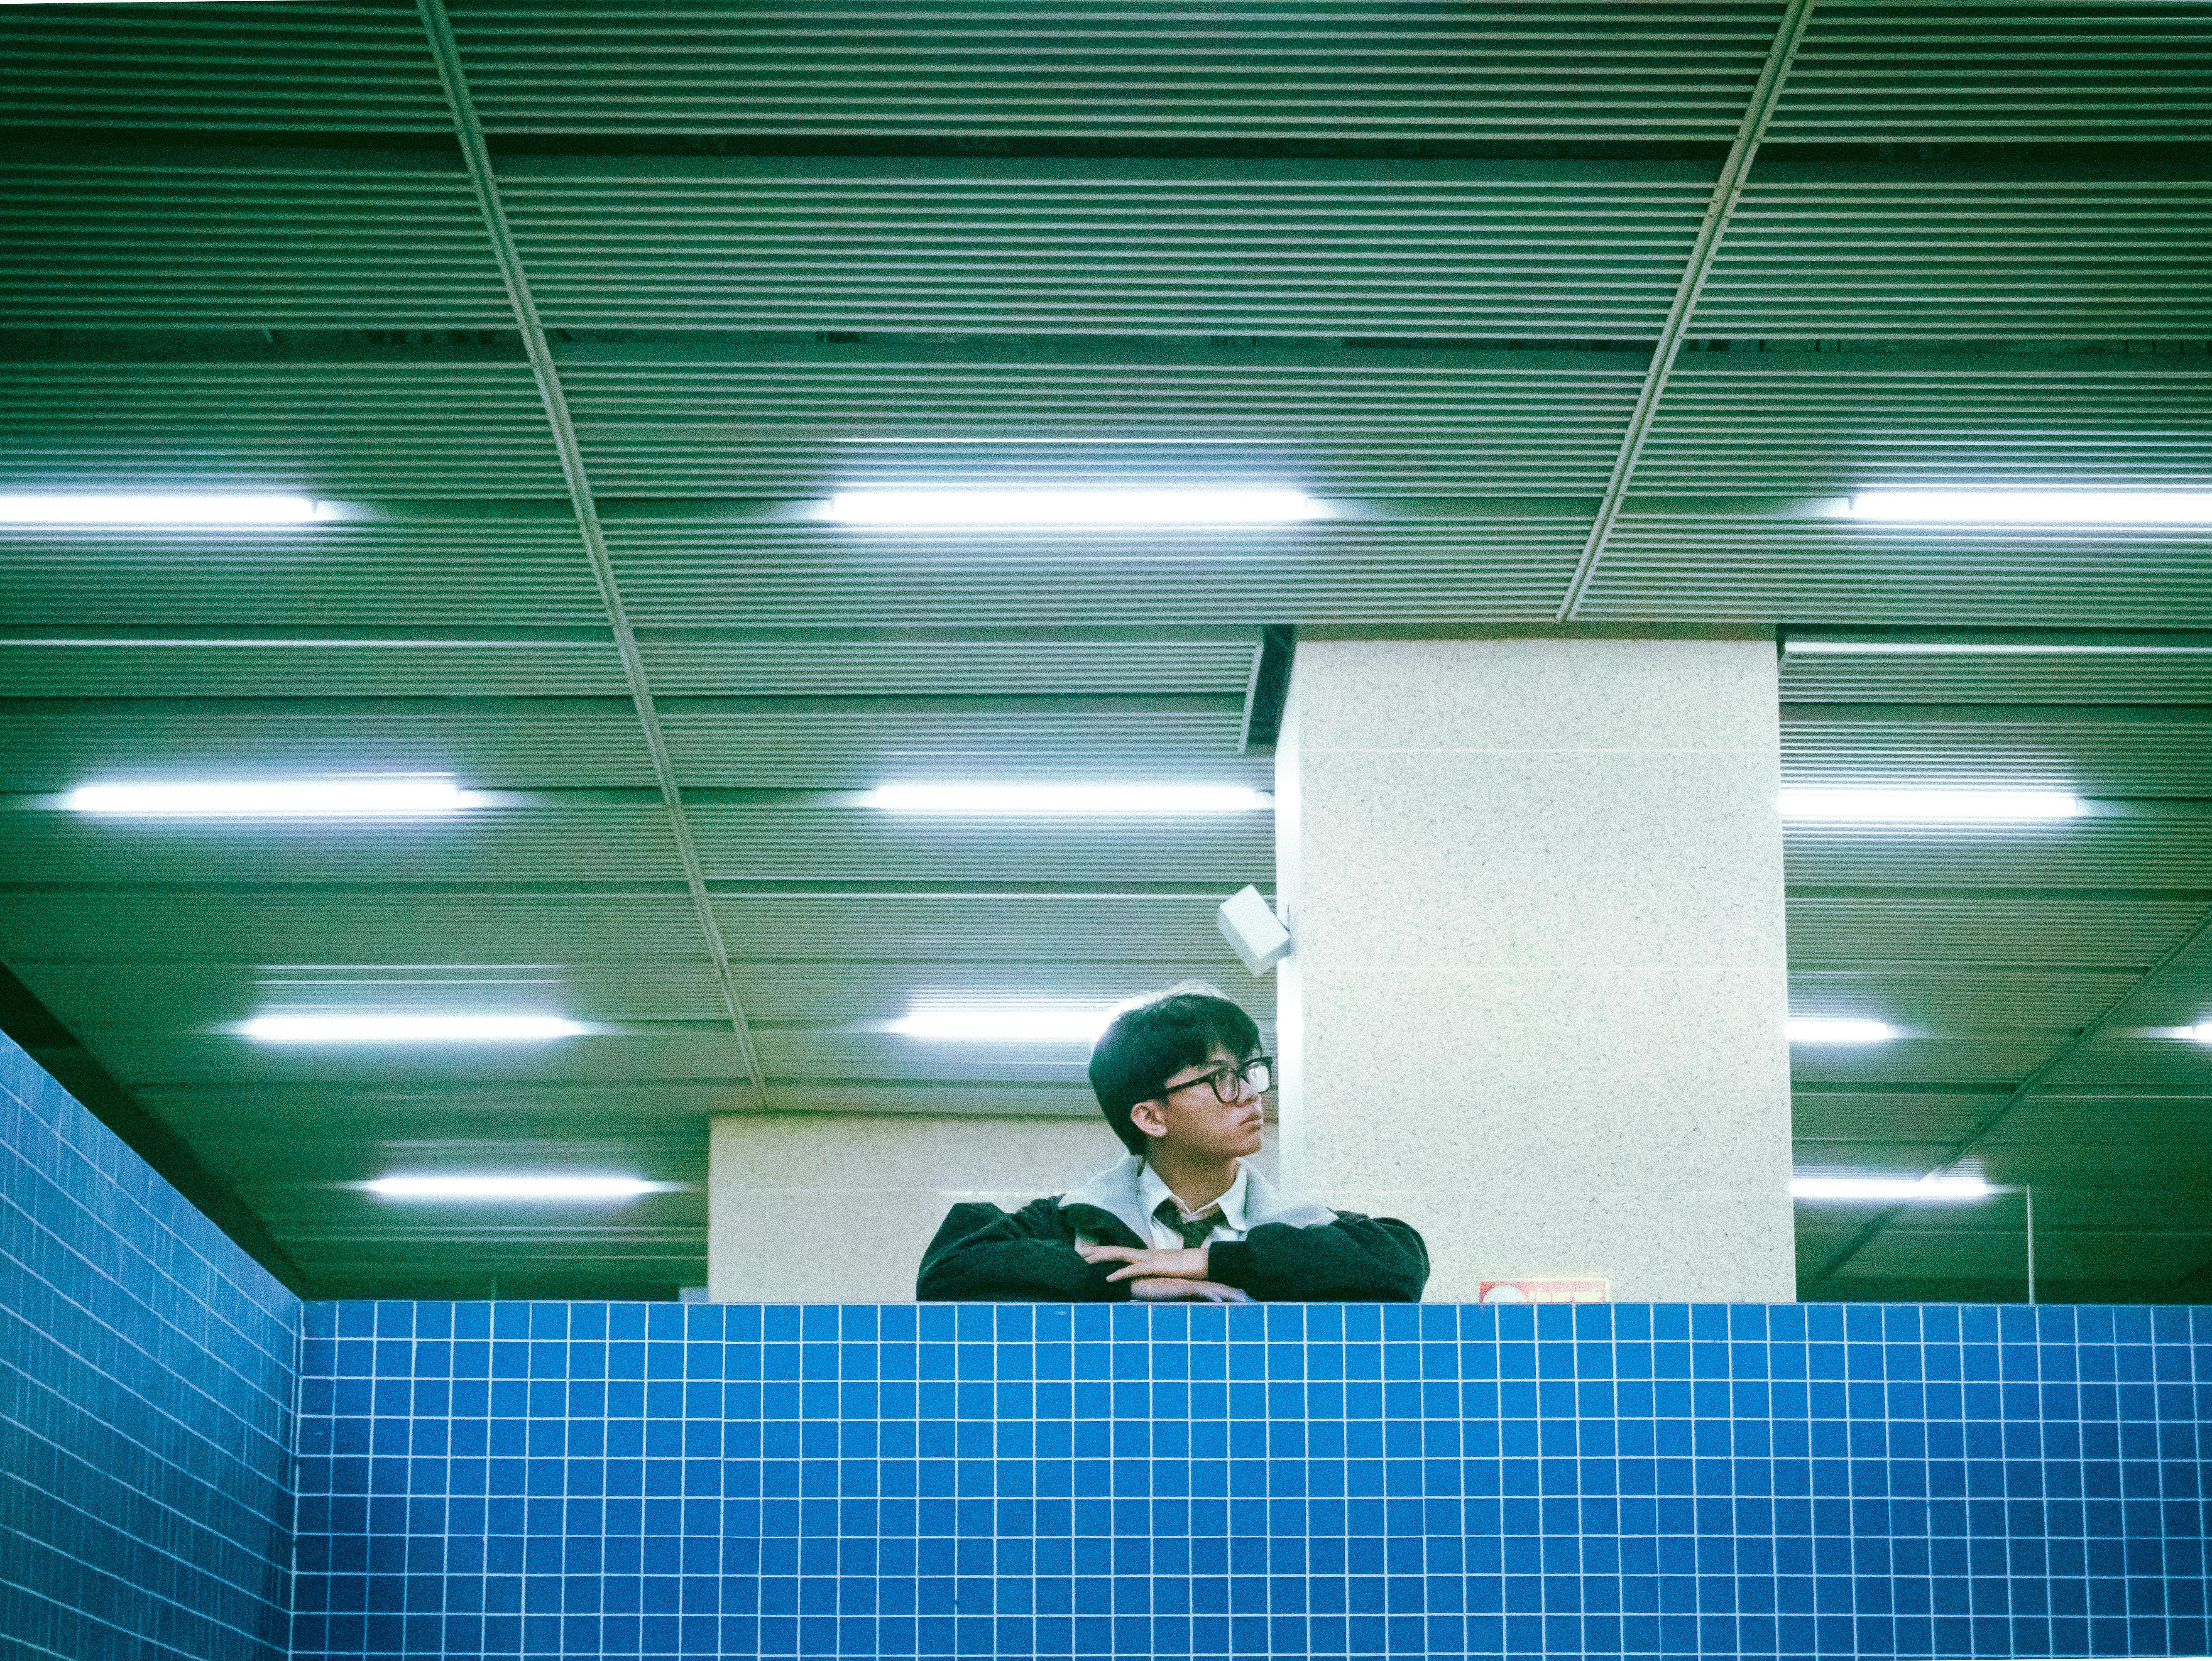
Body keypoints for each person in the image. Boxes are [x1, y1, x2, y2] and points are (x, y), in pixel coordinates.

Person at [917, 984, 1427, 1302]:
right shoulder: (1071, 1223)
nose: (1250, 1093)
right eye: (1222, 1077)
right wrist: (1122, 1283)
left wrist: (1207, 1262)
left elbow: (1401, 1262)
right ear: (1150, 1116)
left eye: (1251, 1071)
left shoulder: (1302, 1226)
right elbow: (949, 1268)